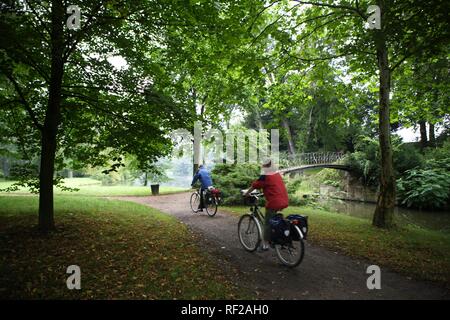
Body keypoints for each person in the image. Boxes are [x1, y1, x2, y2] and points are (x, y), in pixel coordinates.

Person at [244, 159, 288, 250]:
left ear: (265, 167)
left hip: (274, 203)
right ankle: (278, 237)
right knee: (275, 222)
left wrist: (247, 193)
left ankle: (265, 244)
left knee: (267, 224)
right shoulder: (276, 174)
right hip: (284, 200)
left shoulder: (265, 176)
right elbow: (273, 187)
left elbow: (255, 185)